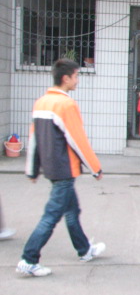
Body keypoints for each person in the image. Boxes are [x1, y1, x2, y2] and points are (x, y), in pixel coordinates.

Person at [17, 58, 105, 277]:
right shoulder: (66, 105)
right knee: (51, 216)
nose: (77, 80)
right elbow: (78, 140)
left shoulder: (42, 102)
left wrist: (32, 169)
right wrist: (95, 168)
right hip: (65, 169)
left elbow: (34, 138)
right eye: (76, 76)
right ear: (66, 78)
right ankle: (28, 259)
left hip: (52, 168)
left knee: (72, 211)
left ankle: (84, 250)